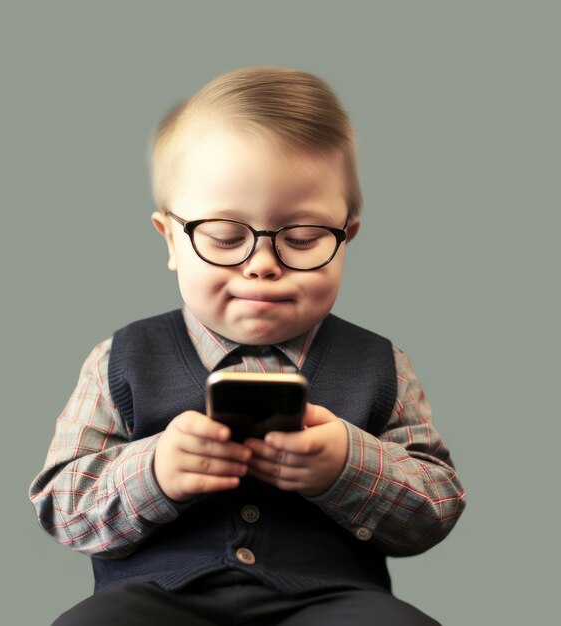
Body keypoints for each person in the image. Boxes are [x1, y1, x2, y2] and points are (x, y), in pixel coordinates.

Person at [29, 66, 466, 625]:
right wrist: (156, 471)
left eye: (303, 239)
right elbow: (63, 507)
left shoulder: (381, 365)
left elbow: (437, 508)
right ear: (170, 238)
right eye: (226, 237)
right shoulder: (119, 359)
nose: (262, 265)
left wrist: (347, 466)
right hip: (156, 601)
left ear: (345, 237)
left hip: (329, 602)